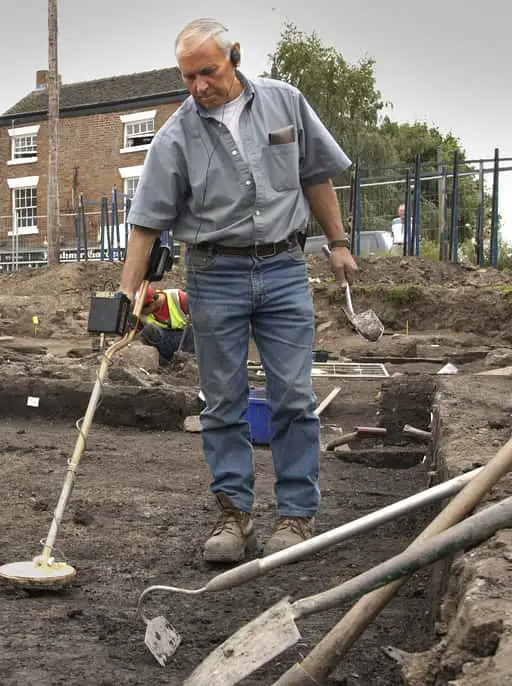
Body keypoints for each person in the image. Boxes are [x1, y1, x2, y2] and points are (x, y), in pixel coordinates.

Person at [119, 17, 359, 563]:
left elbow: (315, 176)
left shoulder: (286, 103)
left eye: (208, 72)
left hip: (283, 268)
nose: (199, 85)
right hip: (214, 275)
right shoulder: (175, 136)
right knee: (222, 402)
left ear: (236, 57)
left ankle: (296, 516)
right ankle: (234, 517)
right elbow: (146, 223)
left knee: (294, 397)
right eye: (188, 77)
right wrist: (125, 296)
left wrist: (338, 243)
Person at [137, 286, 191, 364]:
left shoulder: (180, 298)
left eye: (141, 309)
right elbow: (131, 334)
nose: (139, 312)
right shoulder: (141, 314)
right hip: (165, 343)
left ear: (152, 302)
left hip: (187, 339)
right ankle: (164, 364)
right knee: (148, 330)